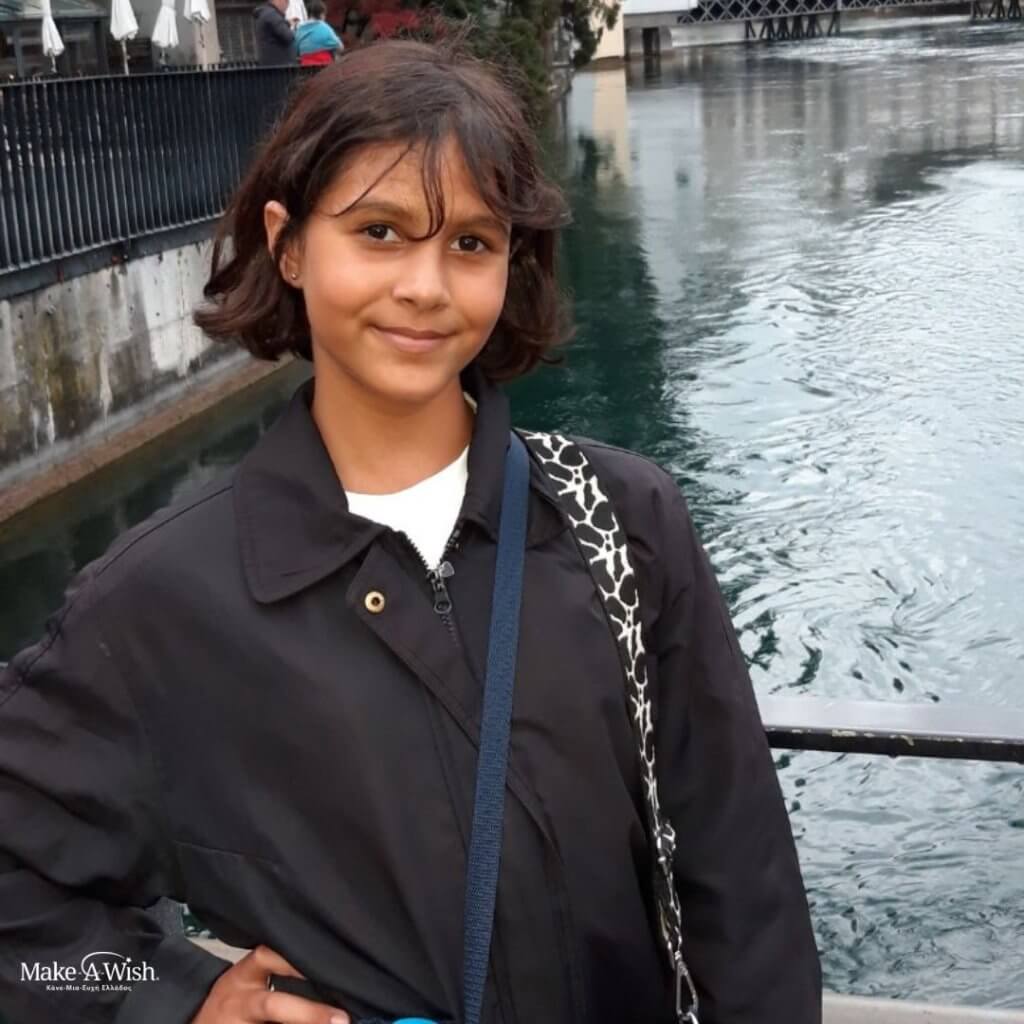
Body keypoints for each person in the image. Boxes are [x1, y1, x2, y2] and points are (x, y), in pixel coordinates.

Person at [0, 41, 822, 1024]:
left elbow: (742, 890)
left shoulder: (623, 522)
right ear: (289, 245)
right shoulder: (163, 600)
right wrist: (175, 999)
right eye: (381, 232)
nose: (427, 286)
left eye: (470, 243)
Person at [295, 0, 342, 66]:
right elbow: (340, 46)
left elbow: (296, 50)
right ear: (321, 14)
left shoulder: (299, 30)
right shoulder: (324, 27)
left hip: (305, 66)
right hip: (324, 66)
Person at [253, 0, 296, 66]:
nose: (287, 6)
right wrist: (295, 31)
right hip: (279, 66)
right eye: (286, 1)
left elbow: (276, 29)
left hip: (272, 64)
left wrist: (286, 24)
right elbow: (288, 36)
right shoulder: (272, 15)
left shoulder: (267, 13)